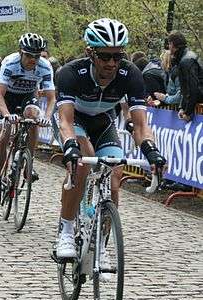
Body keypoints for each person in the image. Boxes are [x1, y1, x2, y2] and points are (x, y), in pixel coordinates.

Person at [53, 18, 166, 259]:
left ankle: (101, 244)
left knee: (114, 176)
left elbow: (141, 124)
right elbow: (65, 120)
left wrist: (151, 151)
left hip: (103, 122)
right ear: (90, 53)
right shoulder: (71, 73)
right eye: (105, 56)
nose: (112, 63)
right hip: (75, 122)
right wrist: (71, 147)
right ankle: (66, 229)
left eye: (118, 56)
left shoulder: (130, 73)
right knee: (82, 163)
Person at [0, 33, 55, 206]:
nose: (33, 59)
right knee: (5, 132)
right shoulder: (10, 63)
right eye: (29, 55)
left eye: (37, 55)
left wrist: (46, 118)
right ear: (21, 52)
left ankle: (28, 164)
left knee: (33, 117)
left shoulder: (45, 66)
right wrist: (6, 115)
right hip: (7, 98)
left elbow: (51, 98)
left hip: (27, 97)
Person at [168, 31, 203, 121]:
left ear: (172, 44)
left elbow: (193, 88)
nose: (168, 47)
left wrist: (187, 112)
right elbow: (185, 89)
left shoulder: (186, 61)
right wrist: (182, 108)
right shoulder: (183, 59)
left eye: (169, 44)